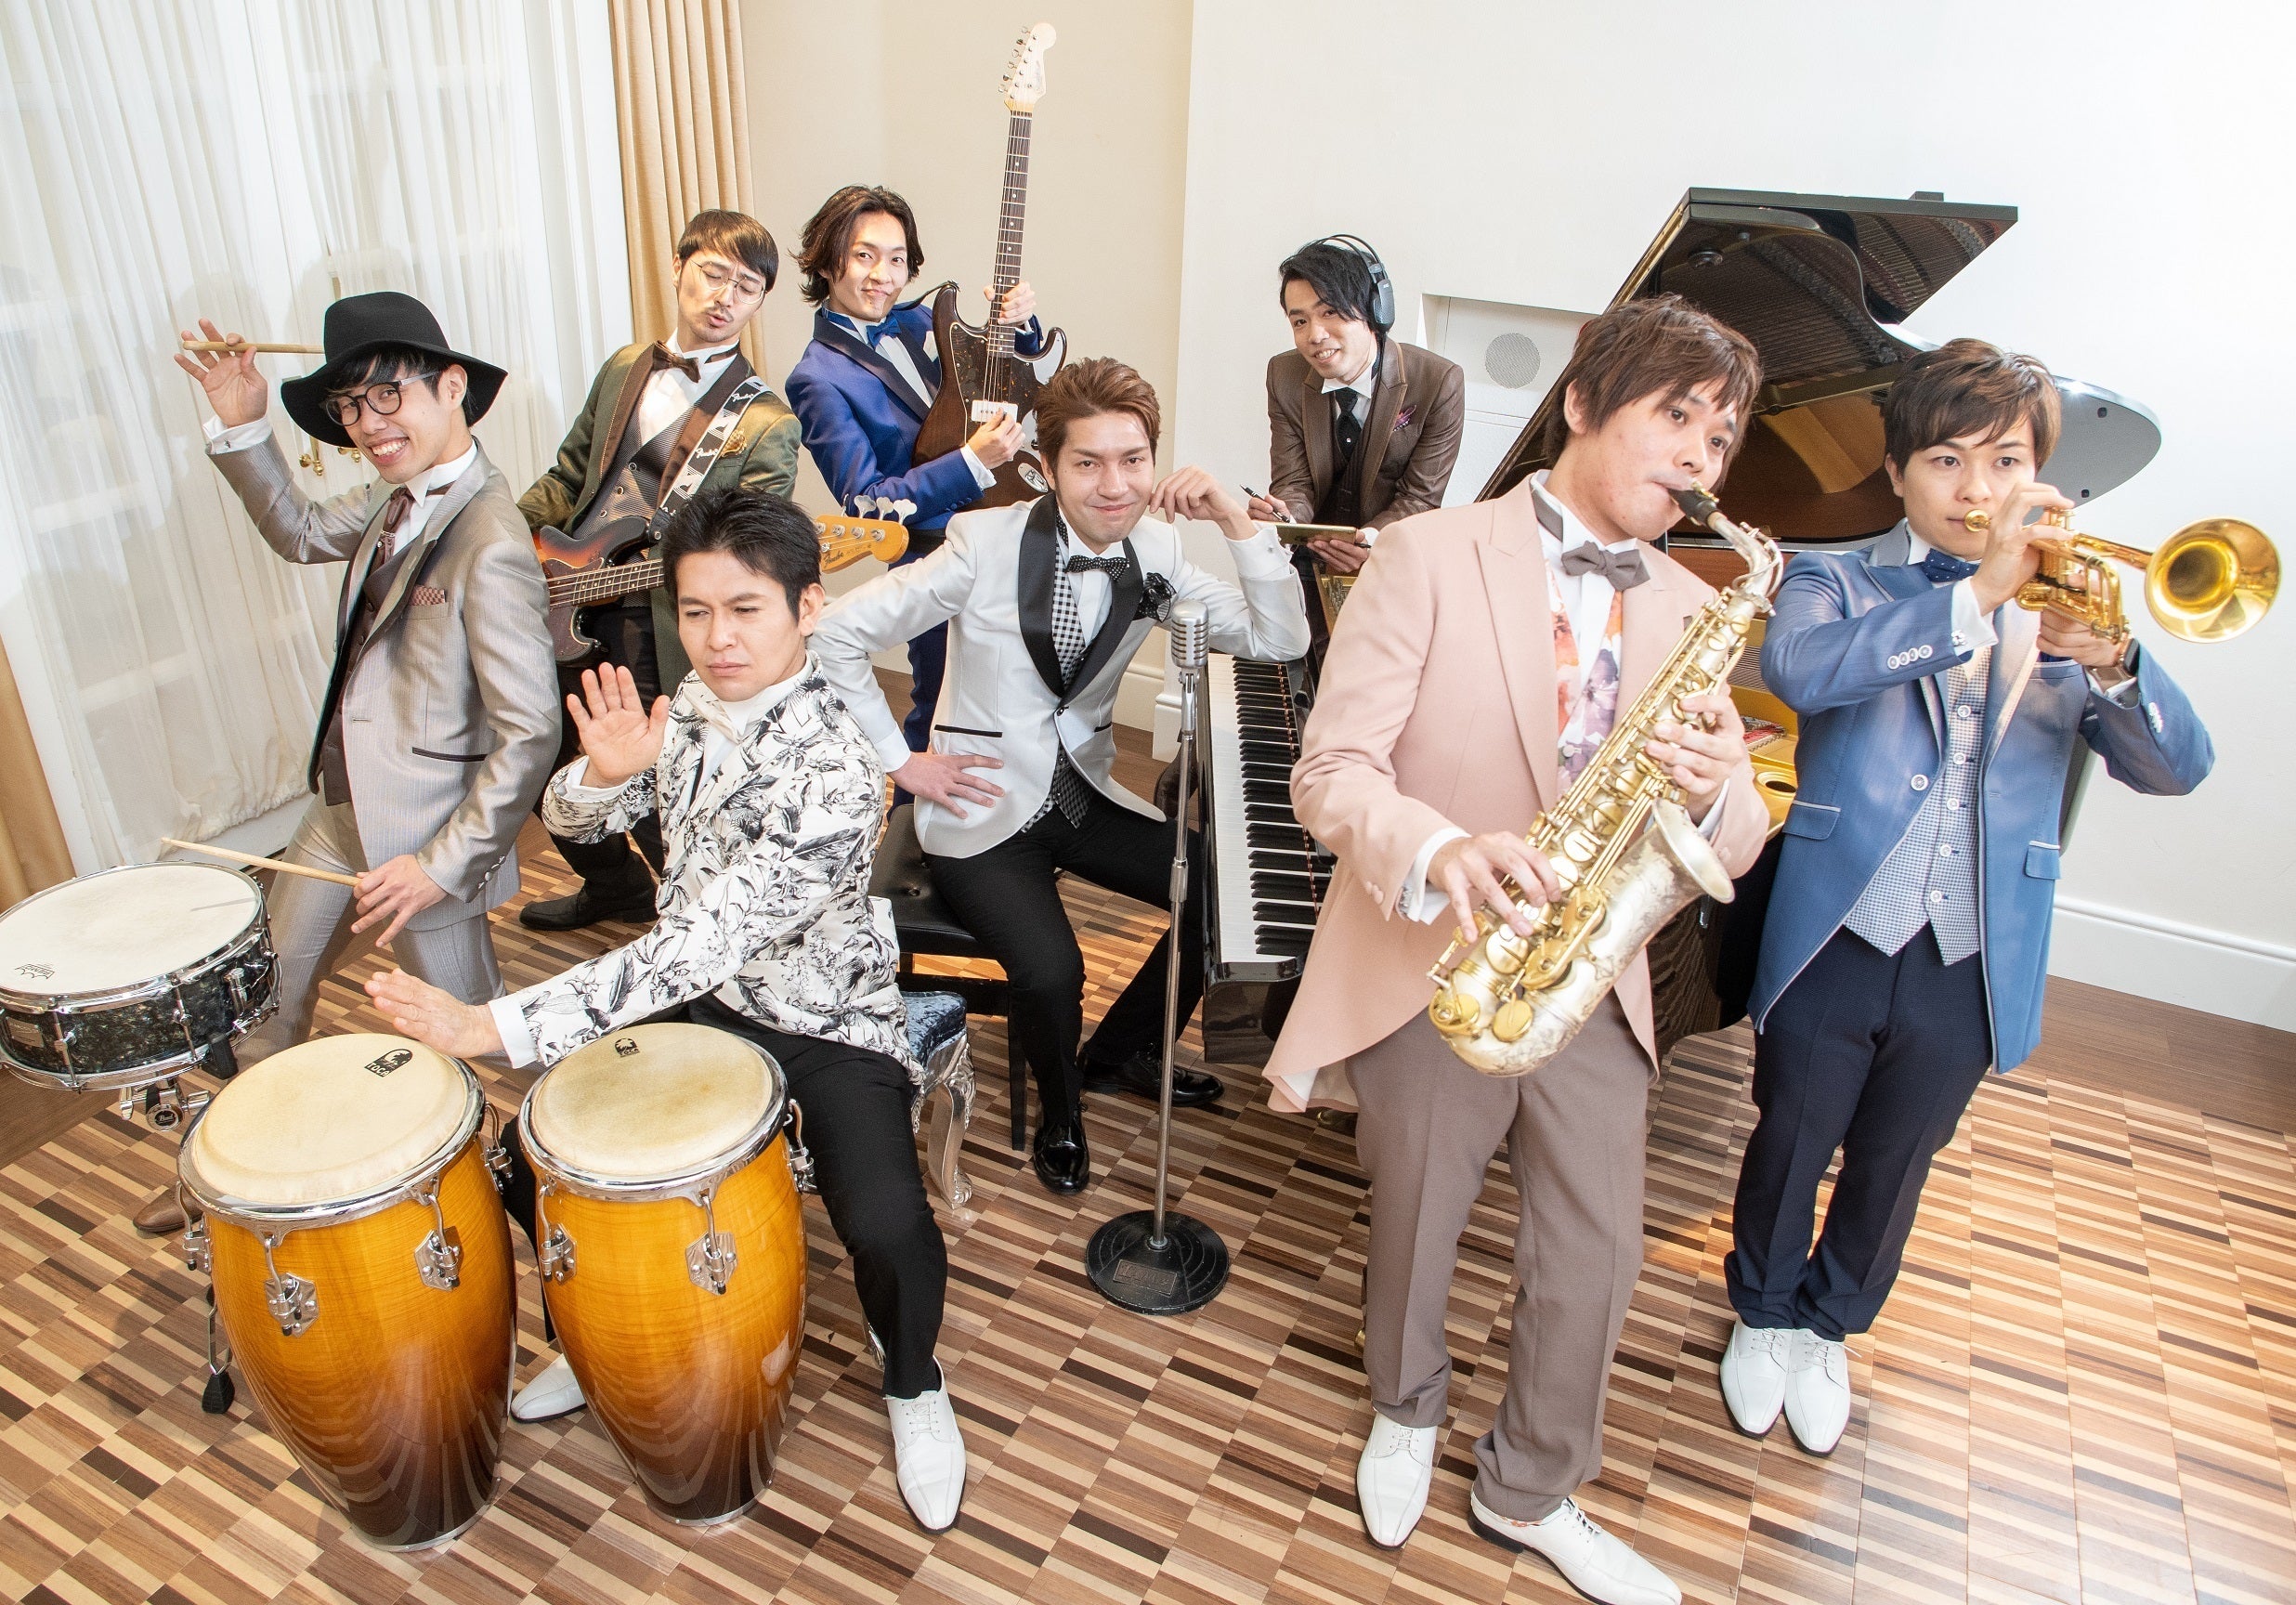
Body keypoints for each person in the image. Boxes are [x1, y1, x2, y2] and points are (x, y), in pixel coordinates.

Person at [1262, 295, 1771, 1602]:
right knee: (1417, 1216)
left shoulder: (1692, 600)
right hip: (1438, 954)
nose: (1699, 458)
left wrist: (1720, 785)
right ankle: (1404, 1407)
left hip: (1596, 976)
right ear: (1584, 403)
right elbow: (1332, 771)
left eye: (1720, 440)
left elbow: (1738, 837)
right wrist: (1442, 850)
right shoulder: (1426, 554)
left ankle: (1530, 1488)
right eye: (1677, 417)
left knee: (1596, 1255)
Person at [365, 486, 967, 1534]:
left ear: (808, 607)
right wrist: (605, 779)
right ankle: (594, 1327)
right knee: (528, 1163)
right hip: (698, 1001)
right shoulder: (690, 700)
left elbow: (695, 940)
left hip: (820, 1017)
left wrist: (492, 1027)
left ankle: (914, 1377)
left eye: (745, 610)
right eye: (696, 612)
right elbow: (574, 819)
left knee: (885, 1223)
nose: (718, 638)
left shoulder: (837, 766)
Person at [1716, 339, 2214, 1457]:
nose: (1976, 489)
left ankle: (1829, 1326)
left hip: (1975, 945)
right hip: (1837, 926)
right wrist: (1979, 594)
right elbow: (1800, 673)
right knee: (1792, 1133)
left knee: (1899, 1157)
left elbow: (2176, 769)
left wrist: (2116, 662)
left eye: (2004, 461)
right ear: (1897, 473)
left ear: (2043, 475)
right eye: (1945, 460)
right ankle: (1761, 1309)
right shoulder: (1836, 577)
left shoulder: (2072, 613)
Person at [811, 358, 1311, 1195]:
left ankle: (1121, 1053)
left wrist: (1235, 520)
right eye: (1088, 463)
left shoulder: (1157, 549)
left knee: (1220, 897)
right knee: (1052, 971)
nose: (1115, 486)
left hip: (1080, 791)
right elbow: (835, 635)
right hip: (981, 803)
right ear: (1046, 467)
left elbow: (1280, 639)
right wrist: (901, 762)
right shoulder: (981, 543)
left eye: (1133, 460)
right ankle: (1061, 1112)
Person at [145, 294, 558, 1237]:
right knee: (268, 997)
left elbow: (530, 733)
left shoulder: (491, 540)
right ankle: (235, 1177)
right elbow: (296, 530)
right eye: (349, 408)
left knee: (475, 1029)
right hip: (337, 814)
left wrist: (440, 868)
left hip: (423, 846)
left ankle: (581, 1164)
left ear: (452, 387)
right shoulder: (390, 498)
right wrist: (242, 424)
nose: (369, 426)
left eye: (387, 396)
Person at [516, 208, 801, 932]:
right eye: (712, 273)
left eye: (746, 287)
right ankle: (614, 887)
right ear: (678, 267)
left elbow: (751, 550)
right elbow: (570, 475)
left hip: (658, 622)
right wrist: (510, 546)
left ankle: (694, 928)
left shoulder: (766, 422)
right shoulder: (623, 367)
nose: (725, 297)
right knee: (543, 758)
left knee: (653, 780)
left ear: (760, 301)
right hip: (562, 596)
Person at [784, 185, 1049, 762]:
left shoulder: (924, 321)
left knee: (1017, 691)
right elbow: (867, 504)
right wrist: (973, 462)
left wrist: (1020, 323)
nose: (883, 275)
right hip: (932, 556)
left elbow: (1002, 371)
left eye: (897, 259)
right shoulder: (816, 378)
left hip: (1005, 532)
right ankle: (910, 812)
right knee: (940, 703)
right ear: (828, 262)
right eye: (864, 255)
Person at [1246, 235, 1465, 592]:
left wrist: (1371, 541)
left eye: (1329, 312)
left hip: (1390, 560)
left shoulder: (1438, 382)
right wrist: (1285, 516)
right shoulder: (1283, 375)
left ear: (1376, 312)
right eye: (1299, 322)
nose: (1315, 335)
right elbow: (1294, 481)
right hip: (1308, 559)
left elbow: (1420, 498)